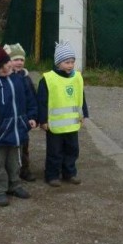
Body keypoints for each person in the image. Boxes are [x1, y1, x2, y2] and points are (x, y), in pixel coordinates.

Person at [0, 46, 38, 207]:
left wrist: (32, 117)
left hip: (17, 129)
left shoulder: (20, 79)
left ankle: (14, 185)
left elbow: (30, 99)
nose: (5, 69)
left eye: (6, 63)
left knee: (15, 161)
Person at [37, 41, 89, 187]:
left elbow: (81, 97)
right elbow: (42, 101)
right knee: (55, 152)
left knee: (72, 150)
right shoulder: (48, 79)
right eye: (67, 62)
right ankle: (52, 175)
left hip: (72, 124)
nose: (70, 65)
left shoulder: (77, 77)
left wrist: (83, 114)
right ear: (58, 63)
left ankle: (70, 173)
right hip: (54, 125)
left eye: (72, 62)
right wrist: (43, 120)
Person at [3, 43, 37, 182]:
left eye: (21, 60)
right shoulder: (3, 78)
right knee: (7, 148)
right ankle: (8, 172)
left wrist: (33, 116)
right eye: (15, 59)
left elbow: (32, 100)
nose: (19, 62)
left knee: (24, 146)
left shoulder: (26, 78)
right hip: (8, 120)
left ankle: (24, 169)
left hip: (22, 120)